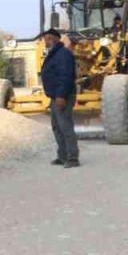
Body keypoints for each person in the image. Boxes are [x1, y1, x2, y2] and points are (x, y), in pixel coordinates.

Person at [41, 28, 79, 168]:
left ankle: (72, 158)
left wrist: (61, 96)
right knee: (57, 127)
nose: (47, 41)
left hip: (63, 96)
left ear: (57, 39)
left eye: (50, 38)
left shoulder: (63, 54)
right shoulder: (53, 54)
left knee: (65, 127)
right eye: (45, 39)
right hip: (55, 96)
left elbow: (65, 76)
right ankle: (62, 156)